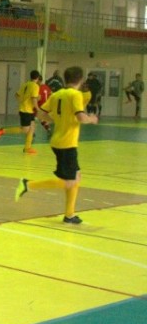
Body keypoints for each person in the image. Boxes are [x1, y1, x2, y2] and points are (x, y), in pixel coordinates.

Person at [15, 66, 99, 224]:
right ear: (80, 80)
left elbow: (41, 114)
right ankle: (28, 185)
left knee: (76, 177)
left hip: (59, 141)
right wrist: (92, 119)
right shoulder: (75, 95)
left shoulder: (57, 94)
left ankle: (69, 215)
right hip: (67, 143)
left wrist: (57, 119)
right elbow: (81, 118)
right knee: (69, 181)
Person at [0, 70, 42, 154]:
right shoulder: (35, 86)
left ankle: (27, 148)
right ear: (38, 78)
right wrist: (38, 108)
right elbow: (34, 99)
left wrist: (22, 101)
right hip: (26, 111)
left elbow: (17, 95)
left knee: (32, 128)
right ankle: (2, 131)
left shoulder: (25, 84)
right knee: (25, 130)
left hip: (28, 110)